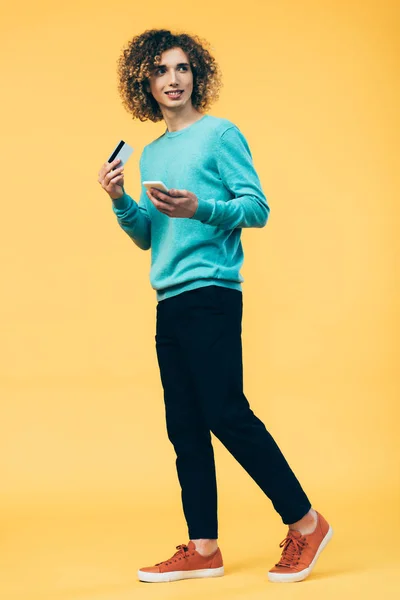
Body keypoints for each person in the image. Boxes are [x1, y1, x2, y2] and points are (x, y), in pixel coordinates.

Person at [97, 28, 333, 584]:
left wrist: (201, 208)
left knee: (226, 412)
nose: (173, 80)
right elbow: (148, 237)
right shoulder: (153, 152)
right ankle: (204, 547)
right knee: (184, 424)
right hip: (169, 300)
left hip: (212, 294)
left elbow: (256, 208)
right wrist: (119, 200)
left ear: (196, 74)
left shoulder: (220, 135)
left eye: (181, 69)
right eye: (160, 71)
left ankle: (307, 524)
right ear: (145, 84)